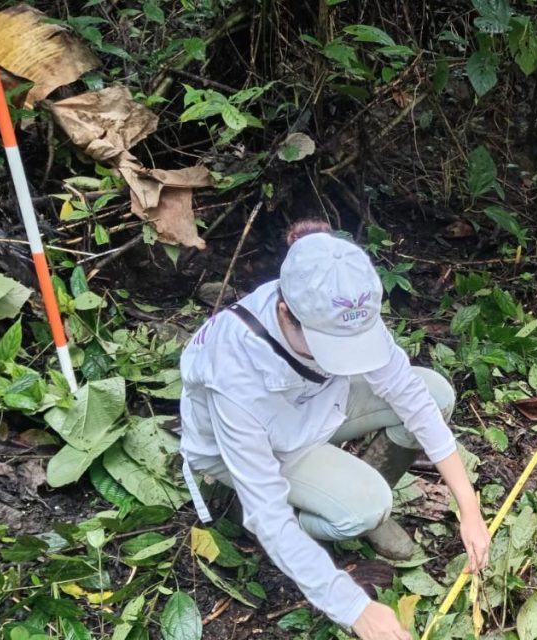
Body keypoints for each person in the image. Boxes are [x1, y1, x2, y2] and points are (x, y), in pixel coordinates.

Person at [179, 220, 490, 640]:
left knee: (435, 394)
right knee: (365, 507)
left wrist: (468, 506)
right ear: (287, 314)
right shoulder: (236, 372)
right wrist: (354, 607)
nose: (346, 356)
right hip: (261, 449)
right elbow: (269, 512)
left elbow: (411, 397)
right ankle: (262, 510)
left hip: (316, 409)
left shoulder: (341, 307)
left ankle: (350, 489)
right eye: (332, 347)